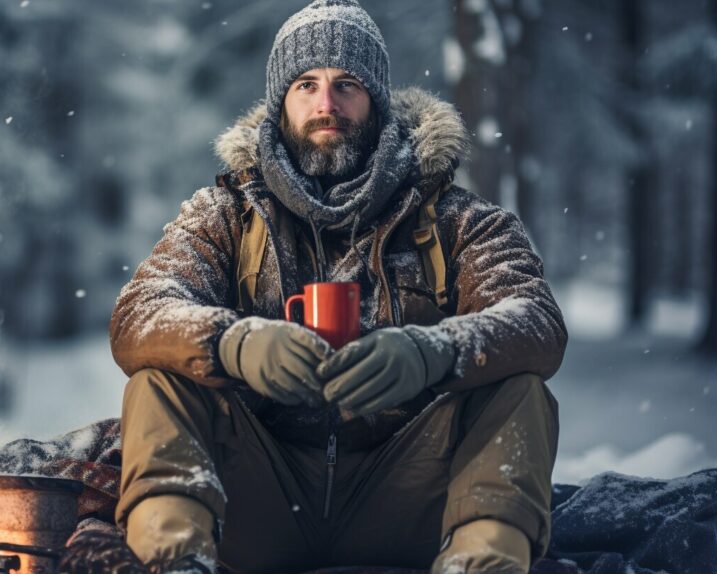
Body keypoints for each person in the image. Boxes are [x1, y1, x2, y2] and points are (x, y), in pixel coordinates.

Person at [87, 1, 567, 572]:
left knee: (521, 393)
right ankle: (177, 561)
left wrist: (434, 352)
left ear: (377, 101)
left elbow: (536, 319)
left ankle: (481, 563)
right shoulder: (225, 214)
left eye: (347, 84)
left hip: (410, 500)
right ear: (280, 104)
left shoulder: (459, 220)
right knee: (161, 380)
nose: (326, 104)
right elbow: (140, 312)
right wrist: (232, 343)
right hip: (258, 497)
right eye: (306, 84)